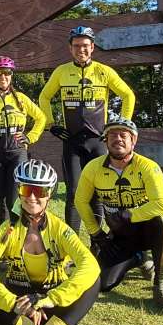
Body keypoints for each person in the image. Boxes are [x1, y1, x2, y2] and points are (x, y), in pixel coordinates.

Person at [0, 159, 100, 325]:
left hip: (51, 299)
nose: (32, 197)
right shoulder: (8, 229)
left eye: (39, 191)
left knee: (93, 280)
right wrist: (12, 302)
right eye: (26, 189)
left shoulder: (60, 229)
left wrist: (50, 300)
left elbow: (90, 265)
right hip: (20, 301)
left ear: (49, 194)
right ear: (19, 192)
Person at [74, 117, 163, 315]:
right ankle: (139, 258)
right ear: (105, 140)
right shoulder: (93, 168)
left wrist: (128, 214)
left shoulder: (148, 167)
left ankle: (161, 286)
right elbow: (81, 201)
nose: (118, 139)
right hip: (121, 236)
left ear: (134, 141)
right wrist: (96, 233)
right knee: (104, 284)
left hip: (148, 230)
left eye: (124, 135)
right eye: (112, 135)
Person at [39, 25, 136, 232]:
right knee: (73, 192)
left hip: (98, 141)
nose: (80, 50)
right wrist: (51, 125)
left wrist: (120, 127)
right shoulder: (61, 71)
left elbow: (128, 95)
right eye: (76, 46)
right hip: (72, 141)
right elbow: (44, 97)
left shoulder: (104, 71)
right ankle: (71, 244)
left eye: (85, 46)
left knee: (101, 191)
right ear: (70, 48)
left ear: (92, 47)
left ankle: (98, 241)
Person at [0, 56, 46, 225]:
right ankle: (4, 239)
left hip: (17, 153)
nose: (3, 77)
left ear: (11, 75)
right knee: (1, 201)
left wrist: (30, 137)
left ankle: (19, 235)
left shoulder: (20, 98)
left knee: (15, 199)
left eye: (7, 73)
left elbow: (41, 118)